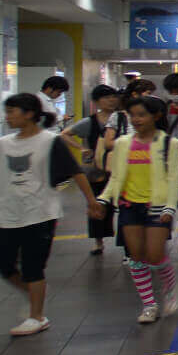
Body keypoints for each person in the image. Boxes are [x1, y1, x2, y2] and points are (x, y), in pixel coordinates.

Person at [0, 93, 105, 336]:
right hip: (8, 214)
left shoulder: (50, 141)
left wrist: (91, 201)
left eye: (12, 111)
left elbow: (75, 172)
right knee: (2, 262)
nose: (8, 117)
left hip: (41, 213)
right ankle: (31, 292)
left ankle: (37, 316)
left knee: (33, 265)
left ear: (29, 114)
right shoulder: (3, 144)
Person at [100, 97, 178, 323]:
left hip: (158, 206)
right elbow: (117, 176)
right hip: (130, 205)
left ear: (156, 116)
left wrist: (170, 206)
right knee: (136, 257)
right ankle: (149, 304)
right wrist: (103, 199)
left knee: (156, 254)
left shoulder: (170, 144)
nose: (136, 120)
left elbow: (174, 177)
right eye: (133, 115)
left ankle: (169, 289)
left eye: (141, 115)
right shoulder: (122, 143)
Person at [69, 84, 125, 256]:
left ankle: (126, 243)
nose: (111, 100)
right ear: (96, 101)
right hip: (97, 170)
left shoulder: (124, 118)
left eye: (113, 97)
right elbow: (65, 134)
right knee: (97, 204)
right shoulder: (89, 122)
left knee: (125, 206)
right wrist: (82, 149)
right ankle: (98, 241)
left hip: (121, 168)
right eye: (106, 98)